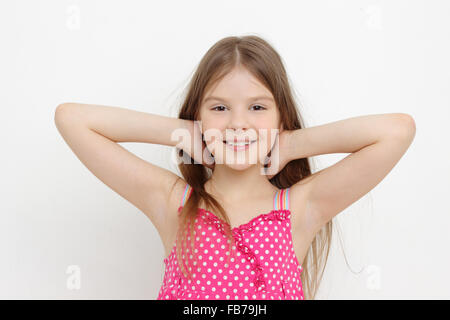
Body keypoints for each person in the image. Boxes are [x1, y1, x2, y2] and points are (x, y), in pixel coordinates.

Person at [54, 35, 416, 300]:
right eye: (219, 108)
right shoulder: (173, 203)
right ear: (198, 116)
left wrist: (291, 143)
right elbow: (72, 119)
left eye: (257, 108)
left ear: (280, 115)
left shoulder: (300, 209)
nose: (238, 123)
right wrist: (184, 134)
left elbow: (397, 131)